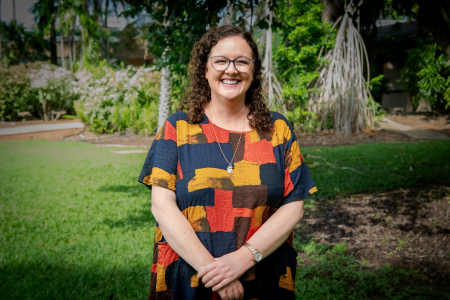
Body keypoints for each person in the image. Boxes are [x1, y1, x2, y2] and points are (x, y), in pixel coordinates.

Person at [138, 25, 317, 300]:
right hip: (190, 279)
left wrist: (242, 260)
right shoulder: (178, 128)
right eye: (220, 61)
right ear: (204, 69)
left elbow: (294, 206)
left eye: (242, 61)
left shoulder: (277, 129)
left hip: (263, 277)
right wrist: (215, 272)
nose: (231, 70)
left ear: (254, 71)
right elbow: (162, 207)